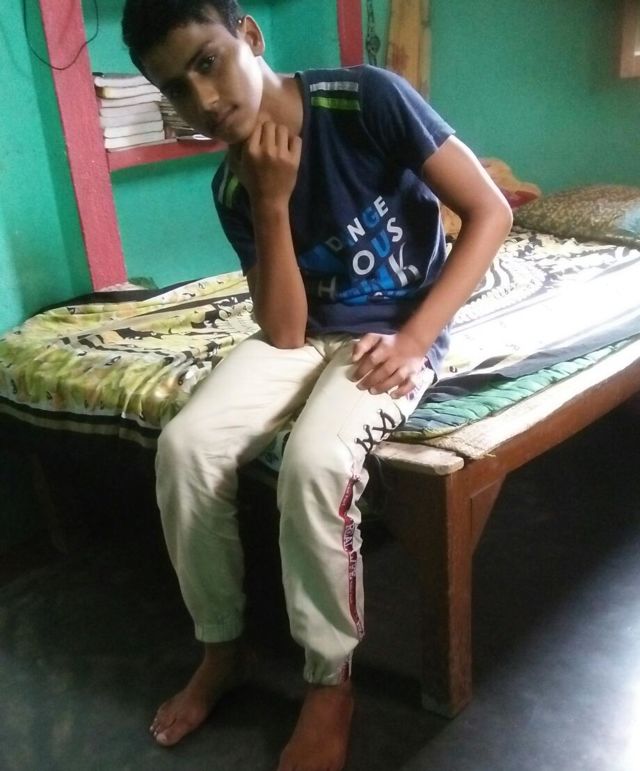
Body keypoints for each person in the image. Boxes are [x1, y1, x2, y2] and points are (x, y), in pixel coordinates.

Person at [121, 2, 513, 769]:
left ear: (250, 36)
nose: (203, 100)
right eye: (176, 87)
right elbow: (285, 331)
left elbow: (490, 210)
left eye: (207, 62)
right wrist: (270, 201)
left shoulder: (364, 99)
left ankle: (330, 682)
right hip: (305, 332)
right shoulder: (232, 187)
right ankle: (221, 646)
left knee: (314, 462)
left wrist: (416, 338)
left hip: (395, 328)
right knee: (186, 445)